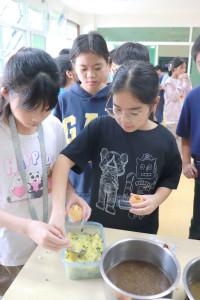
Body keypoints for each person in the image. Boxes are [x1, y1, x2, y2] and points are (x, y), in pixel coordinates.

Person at [50, 61, 182, 237]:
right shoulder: (101, 127)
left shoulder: (165, 139)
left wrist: (156, 199)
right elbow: (62, 161)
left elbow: (169, 178)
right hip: (99, 228)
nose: (124, 120)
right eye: (117, 109)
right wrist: (61, 206)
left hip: (142, 231)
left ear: (154, 104)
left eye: (134, 113)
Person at [0, 47, 90, 297]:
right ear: (6, 93)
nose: (38, 117)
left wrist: (70, 194)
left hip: (49, 242)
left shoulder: (53, 126)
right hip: (8, 251)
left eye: (47, 108)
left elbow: (56, 172)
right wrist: (28, 227)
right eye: (30, 108)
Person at [53, 31, 111, 205]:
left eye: (97, 68)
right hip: (74, 188)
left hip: (110, 188)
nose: (90, 75)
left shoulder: (118, 98)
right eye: (83, 69)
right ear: (73, 66)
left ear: (108, 63)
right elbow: (56, 143)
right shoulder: (64, 99)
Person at [176, 35, 200, 240]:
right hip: (199, 168)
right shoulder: (193, 97)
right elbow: (185, 134)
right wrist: (185, 163)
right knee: (199, 222)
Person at [164, 57, 192, 152]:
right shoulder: (169, 82)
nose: (183, 70)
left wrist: (187, 81)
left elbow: (189, 94)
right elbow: (174, 97)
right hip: (172, 117)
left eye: (184, 68)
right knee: (172, 143)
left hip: (182, 115)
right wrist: (180, 81)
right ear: (174, 68)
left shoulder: (183, 80)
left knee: (181, 142)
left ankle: (179, 164)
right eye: (181, 68)